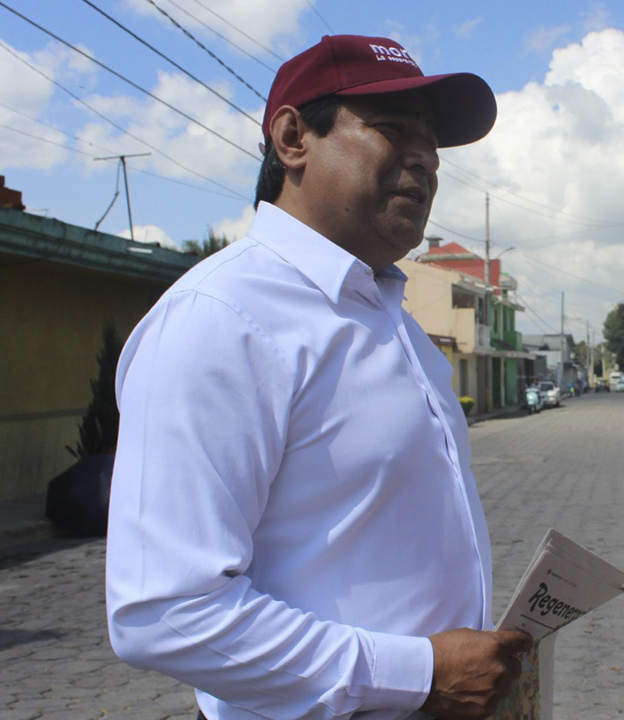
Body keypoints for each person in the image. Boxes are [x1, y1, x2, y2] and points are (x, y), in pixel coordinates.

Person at [105, 35, 531, 720]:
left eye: (434, 147)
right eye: (394, 131)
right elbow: (164, 613)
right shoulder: (222, 319)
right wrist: (418, 673)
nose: (425, 160)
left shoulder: (396, 326)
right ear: (293, 136)